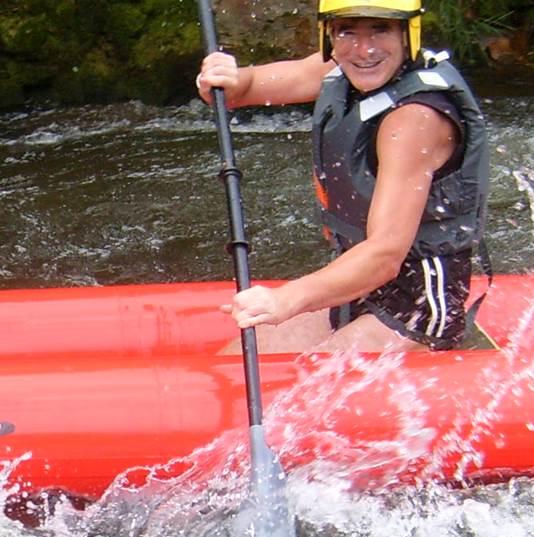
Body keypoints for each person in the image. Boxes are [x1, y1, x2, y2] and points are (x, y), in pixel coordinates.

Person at [196, 0, 491, 353]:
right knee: (231, 364)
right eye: (347, 31)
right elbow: (247, 87)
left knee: (308, 390)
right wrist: (226, 79)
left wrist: (286, 300)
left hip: (418, 307)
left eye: (380, 30)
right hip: (356, 289)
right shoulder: (339, 66)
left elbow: (384, 255)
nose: (364, 49)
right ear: (330, 35)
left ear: (407, 33)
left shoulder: (415, 119)